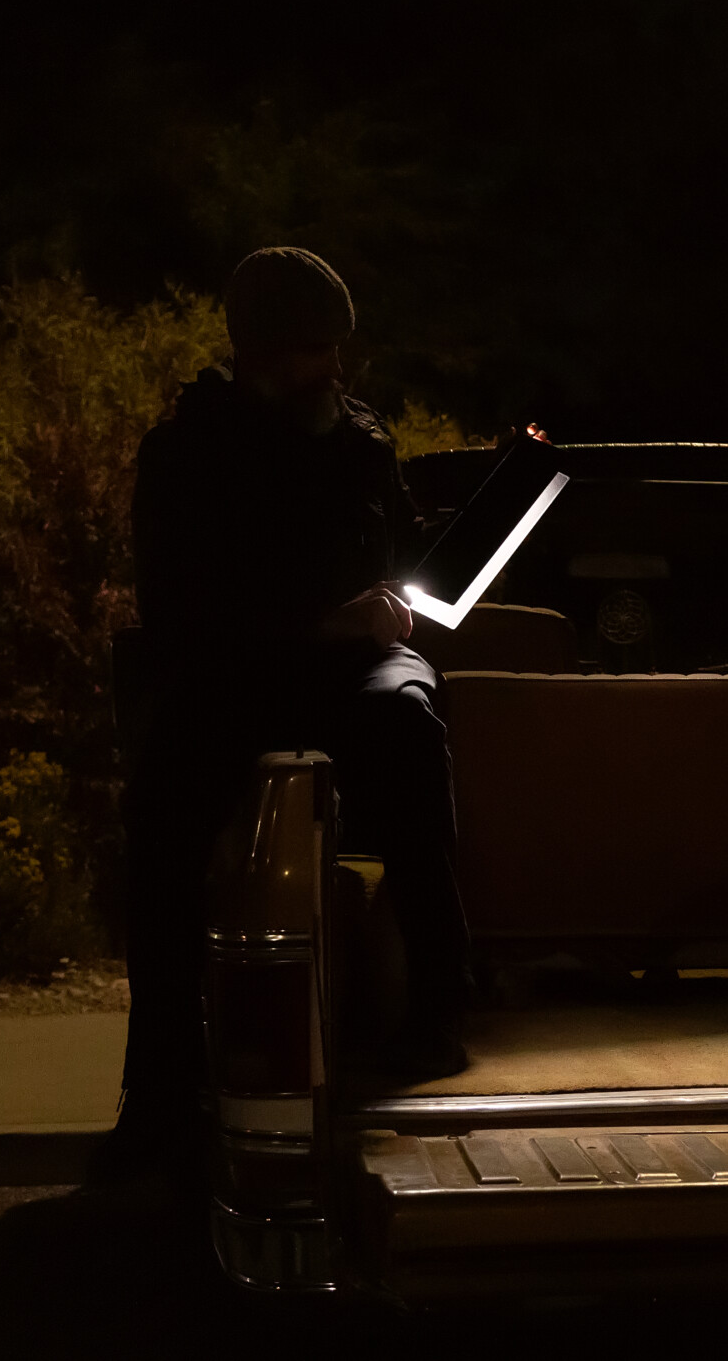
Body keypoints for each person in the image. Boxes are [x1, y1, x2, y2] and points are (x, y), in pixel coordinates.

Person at [106, 247, 469, 1177]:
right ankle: (159, 1089)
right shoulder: (188, 454)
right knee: (164, 805)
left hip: (356, 669)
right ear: (263, 351)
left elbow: (408, 546)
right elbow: (182, 614)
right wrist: (317, 623)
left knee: (410, 719)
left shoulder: (360, 436)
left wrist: (464, 545)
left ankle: (436, 1013)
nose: (338, 369)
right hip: (239, 673)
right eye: (318, 350)